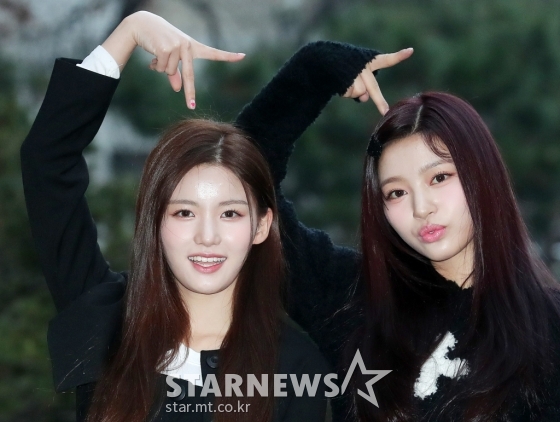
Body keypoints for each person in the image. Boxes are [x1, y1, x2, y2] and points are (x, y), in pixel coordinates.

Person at [19, 11, 391, 422]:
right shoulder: (106, 320)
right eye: (184, 212)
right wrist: (130, 30)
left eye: (229, 213)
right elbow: (46, 163)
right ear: (155, 222)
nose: (207, 236)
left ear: (261, 226)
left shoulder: (295, 366)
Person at [236, 46, 560, 420]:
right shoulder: (352, 300)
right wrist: (315, 70)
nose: (421, 208)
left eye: (439, 177)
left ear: (482, 175)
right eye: (396, 193)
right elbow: (239, 185)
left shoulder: (548, 328)